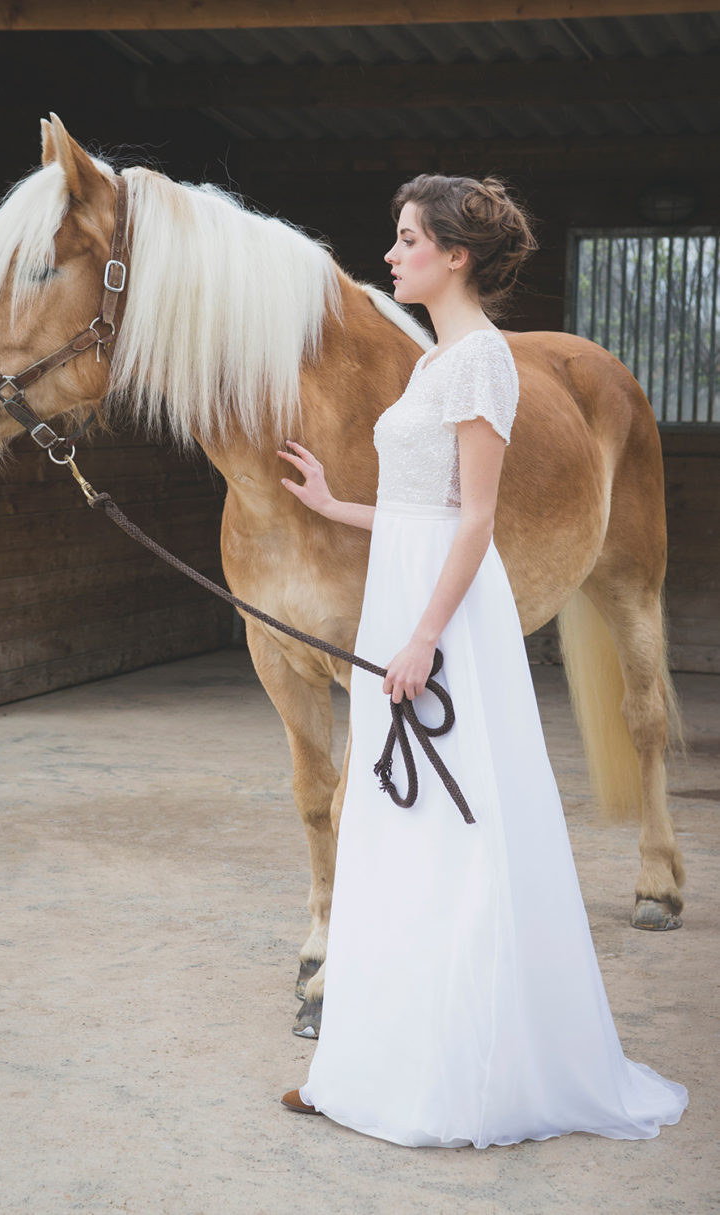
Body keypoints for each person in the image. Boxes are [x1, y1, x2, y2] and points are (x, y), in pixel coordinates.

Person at [274, 174, 688, 1149]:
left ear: (455, 256)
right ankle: (366, 1070)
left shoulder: (483, 365)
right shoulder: (433, 363)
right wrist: (339, 508)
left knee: (448, 831)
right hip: (405, 595)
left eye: (409, 238)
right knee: (394, 827)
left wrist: (420, 638)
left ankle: (453, 1082)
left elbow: (478, 522)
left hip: (440, 617)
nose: (392, 254)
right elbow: (425, 509)